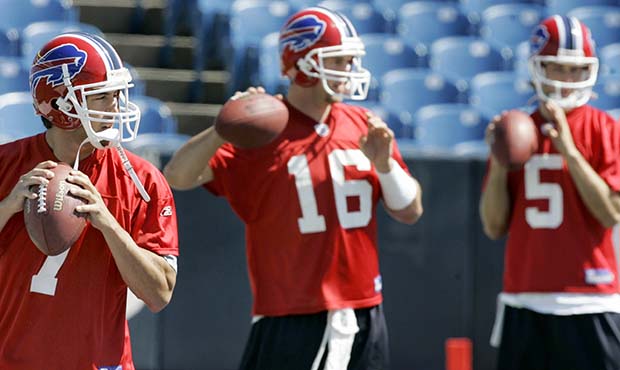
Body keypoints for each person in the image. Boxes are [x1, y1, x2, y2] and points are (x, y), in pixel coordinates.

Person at [164, 7, 423, 370]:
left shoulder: (363, 123)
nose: (349, 69)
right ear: (303, 64)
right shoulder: (260, 129)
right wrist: (223, 126)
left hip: (365, 311)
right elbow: (178, 175)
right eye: (339, 59)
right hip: (291, 317)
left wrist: (385, 165)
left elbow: (411, 210)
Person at [0, 33, 179, 369]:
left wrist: (109, 225)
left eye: (117, 95)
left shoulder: (143, 181)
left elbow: (160, 293)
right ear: (60, 104)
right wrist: (8, 206)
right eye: (102, 96)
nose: (116, 106)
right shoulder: (6, 165)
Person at [480, 15, 620, 370]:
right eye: (557, 68)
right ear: (537, 68)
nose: (568, 79)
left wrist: (569, 151)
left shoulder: (605, 129)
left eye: (575, 69)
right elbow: (494, 226)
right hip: (524, 298)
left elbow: (610, 214)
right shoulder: (517, 131)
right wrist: (499, 164)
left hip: (590, 299)